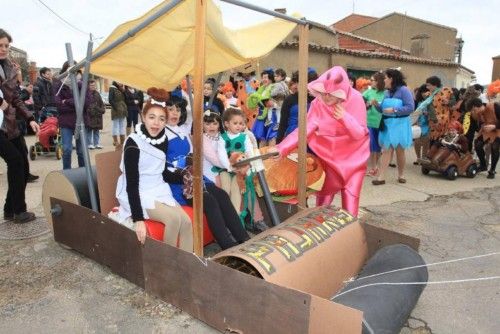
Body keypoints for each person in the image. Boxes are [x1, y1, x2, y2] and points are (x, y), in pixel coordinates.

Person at [272, 66, 369, 217]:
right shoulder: (318, 103)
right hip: (328, 159)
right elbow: (304, 130)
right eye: (323, 93)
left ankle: (350, 234)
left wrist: (345, 118)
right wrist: (282, 147)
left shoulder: (356, 99)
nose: (326, 97)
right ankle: (317, 231)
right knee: (321, 204)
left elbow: (359, 134)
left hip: (353, 160)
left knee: (350, 204)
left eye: (331, 94)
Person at [163, 98, 251, 249]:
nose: (175, 113)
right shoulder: (161, 135)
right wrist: (184, 176)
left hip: (195, 177)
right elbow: (164, 168)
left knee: (222, 195)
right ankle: (228, 245)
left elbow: (192, 156)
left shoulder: (182, 131)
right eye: (170, 109)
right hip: (179, 184)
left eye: (178, 109)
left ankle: (244, 239)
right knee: (209, 201)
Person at [116, 88, 193, 249]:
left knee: (186, 222)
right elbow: (132, 184)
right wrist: (138, 220)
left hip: (158, 187)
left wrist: (185, 176)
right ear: (143, 117)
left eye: (161, 119)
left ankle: (187, 266)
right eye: (152, 117)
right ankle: (166, 267)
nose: (156, 123)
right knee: (173, 220)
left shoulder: (163, 139)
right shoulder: (133, 143)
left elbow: (162, 172)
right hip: (139, 191)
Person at [0, 28, 40, 223]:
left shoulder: (10, 66)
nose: (3, 49)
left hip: (10, 124)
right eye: (0, 45)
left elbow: (15, 96)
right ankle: (19, 211)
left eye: (6, 45)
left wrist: (30, 117)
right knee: (15, 161)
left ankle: (9, 209)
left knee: (22, 165)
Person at [372, 68, 415, 185]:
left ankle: (401, 174)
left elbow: (411, 107)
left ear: (391, 78)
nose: (384, 80)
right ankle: (381, 177)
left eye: (385, 77)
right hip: (387, 125)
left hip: (400, 125)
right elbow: (383, 110)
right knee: (386, 150)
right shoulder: (387, 93)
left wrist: (395, 109)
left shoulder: (404, 90)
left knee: (400, 151)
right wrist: (376, 105)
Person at [53, 61, 91, 170]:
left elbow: (87, 102)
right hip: (66, 122)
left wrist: (67, 101)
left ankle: (83, 173)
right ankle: (67, 173)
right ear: (65, 70)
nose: (72, 72)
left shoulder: (83, 84)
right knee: (67, 149)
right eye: (69, 69)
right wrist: (76, 102)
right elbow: (59, 105)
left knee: (82, 151)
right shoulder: (58, 85)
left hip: (82, 121)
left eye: (75, 69)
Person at [276, 68, 317, 144]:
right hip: (292, 139)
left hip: (312, 140)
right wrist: (278, 143)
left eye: (309, 83)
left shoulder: (317, 100)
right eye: (300, 82)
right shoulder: (289, 99)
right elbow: (283, 124)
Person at [469, 97, 499, 179]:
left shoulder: (495, 106)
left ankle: (492, 170)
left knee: (495, 146)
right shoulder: (477, 114)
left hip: (498, 129)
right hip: (487, 130)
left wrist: (494, 126)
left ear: (476, 106)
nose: (473, 112)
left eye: (473, 110)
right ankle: (483, 165)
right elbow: (473, 127)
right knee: (477, 144)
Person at [363, 72, 385, 176]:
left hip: (381, 123)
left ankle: (376, 166)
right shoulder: (368, 92)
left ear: (378, 82)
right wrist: (368, 104)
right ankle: (373, 167)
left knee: (379, 147)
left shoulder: (386, 93)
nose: (370, 82)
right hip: (370, 122)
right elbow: (361, 105)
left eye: (372, 80)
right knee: (372, 146)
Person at [412, 84, 431, 164]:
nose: (424, 93)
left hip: (428, 124)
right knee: (417, 142)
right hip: (419, 124)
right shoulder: (418, 102)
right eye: (423, 92)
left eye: (426, 91)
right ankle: (418, 158)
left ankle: (423, 157)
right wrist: (415, 122)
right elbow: (414, 113)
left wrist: (428, 115)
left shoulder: (431, 102)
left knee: (426, 141)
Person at [87, 80, 105, 149]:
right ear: (88, 86)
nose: (93, 87)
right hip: (90, 116)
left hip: (98, 116)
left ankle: (96, 143)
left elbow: (101, 103)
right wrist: (90, 111)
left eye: (94, 85)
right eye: (91, 85)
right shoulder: (87, 94)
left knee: (96, 130)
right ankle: (89, 144)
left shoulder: (97, 93)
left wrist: (102, 110)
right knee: (89, 130)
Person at [108, 81, 128, 146]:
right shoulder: (112, 88)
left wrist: (124, 90)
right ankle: (115, 141)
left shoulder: (121, 89)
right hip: (116, 109)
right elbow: (110, 100)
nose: (121, 82)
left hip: (123, 109)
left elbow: (125, 98)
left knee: (122, 125)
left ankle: (122, 141)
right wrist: (116, 107)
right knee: (115, 125)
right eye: (119, 81)